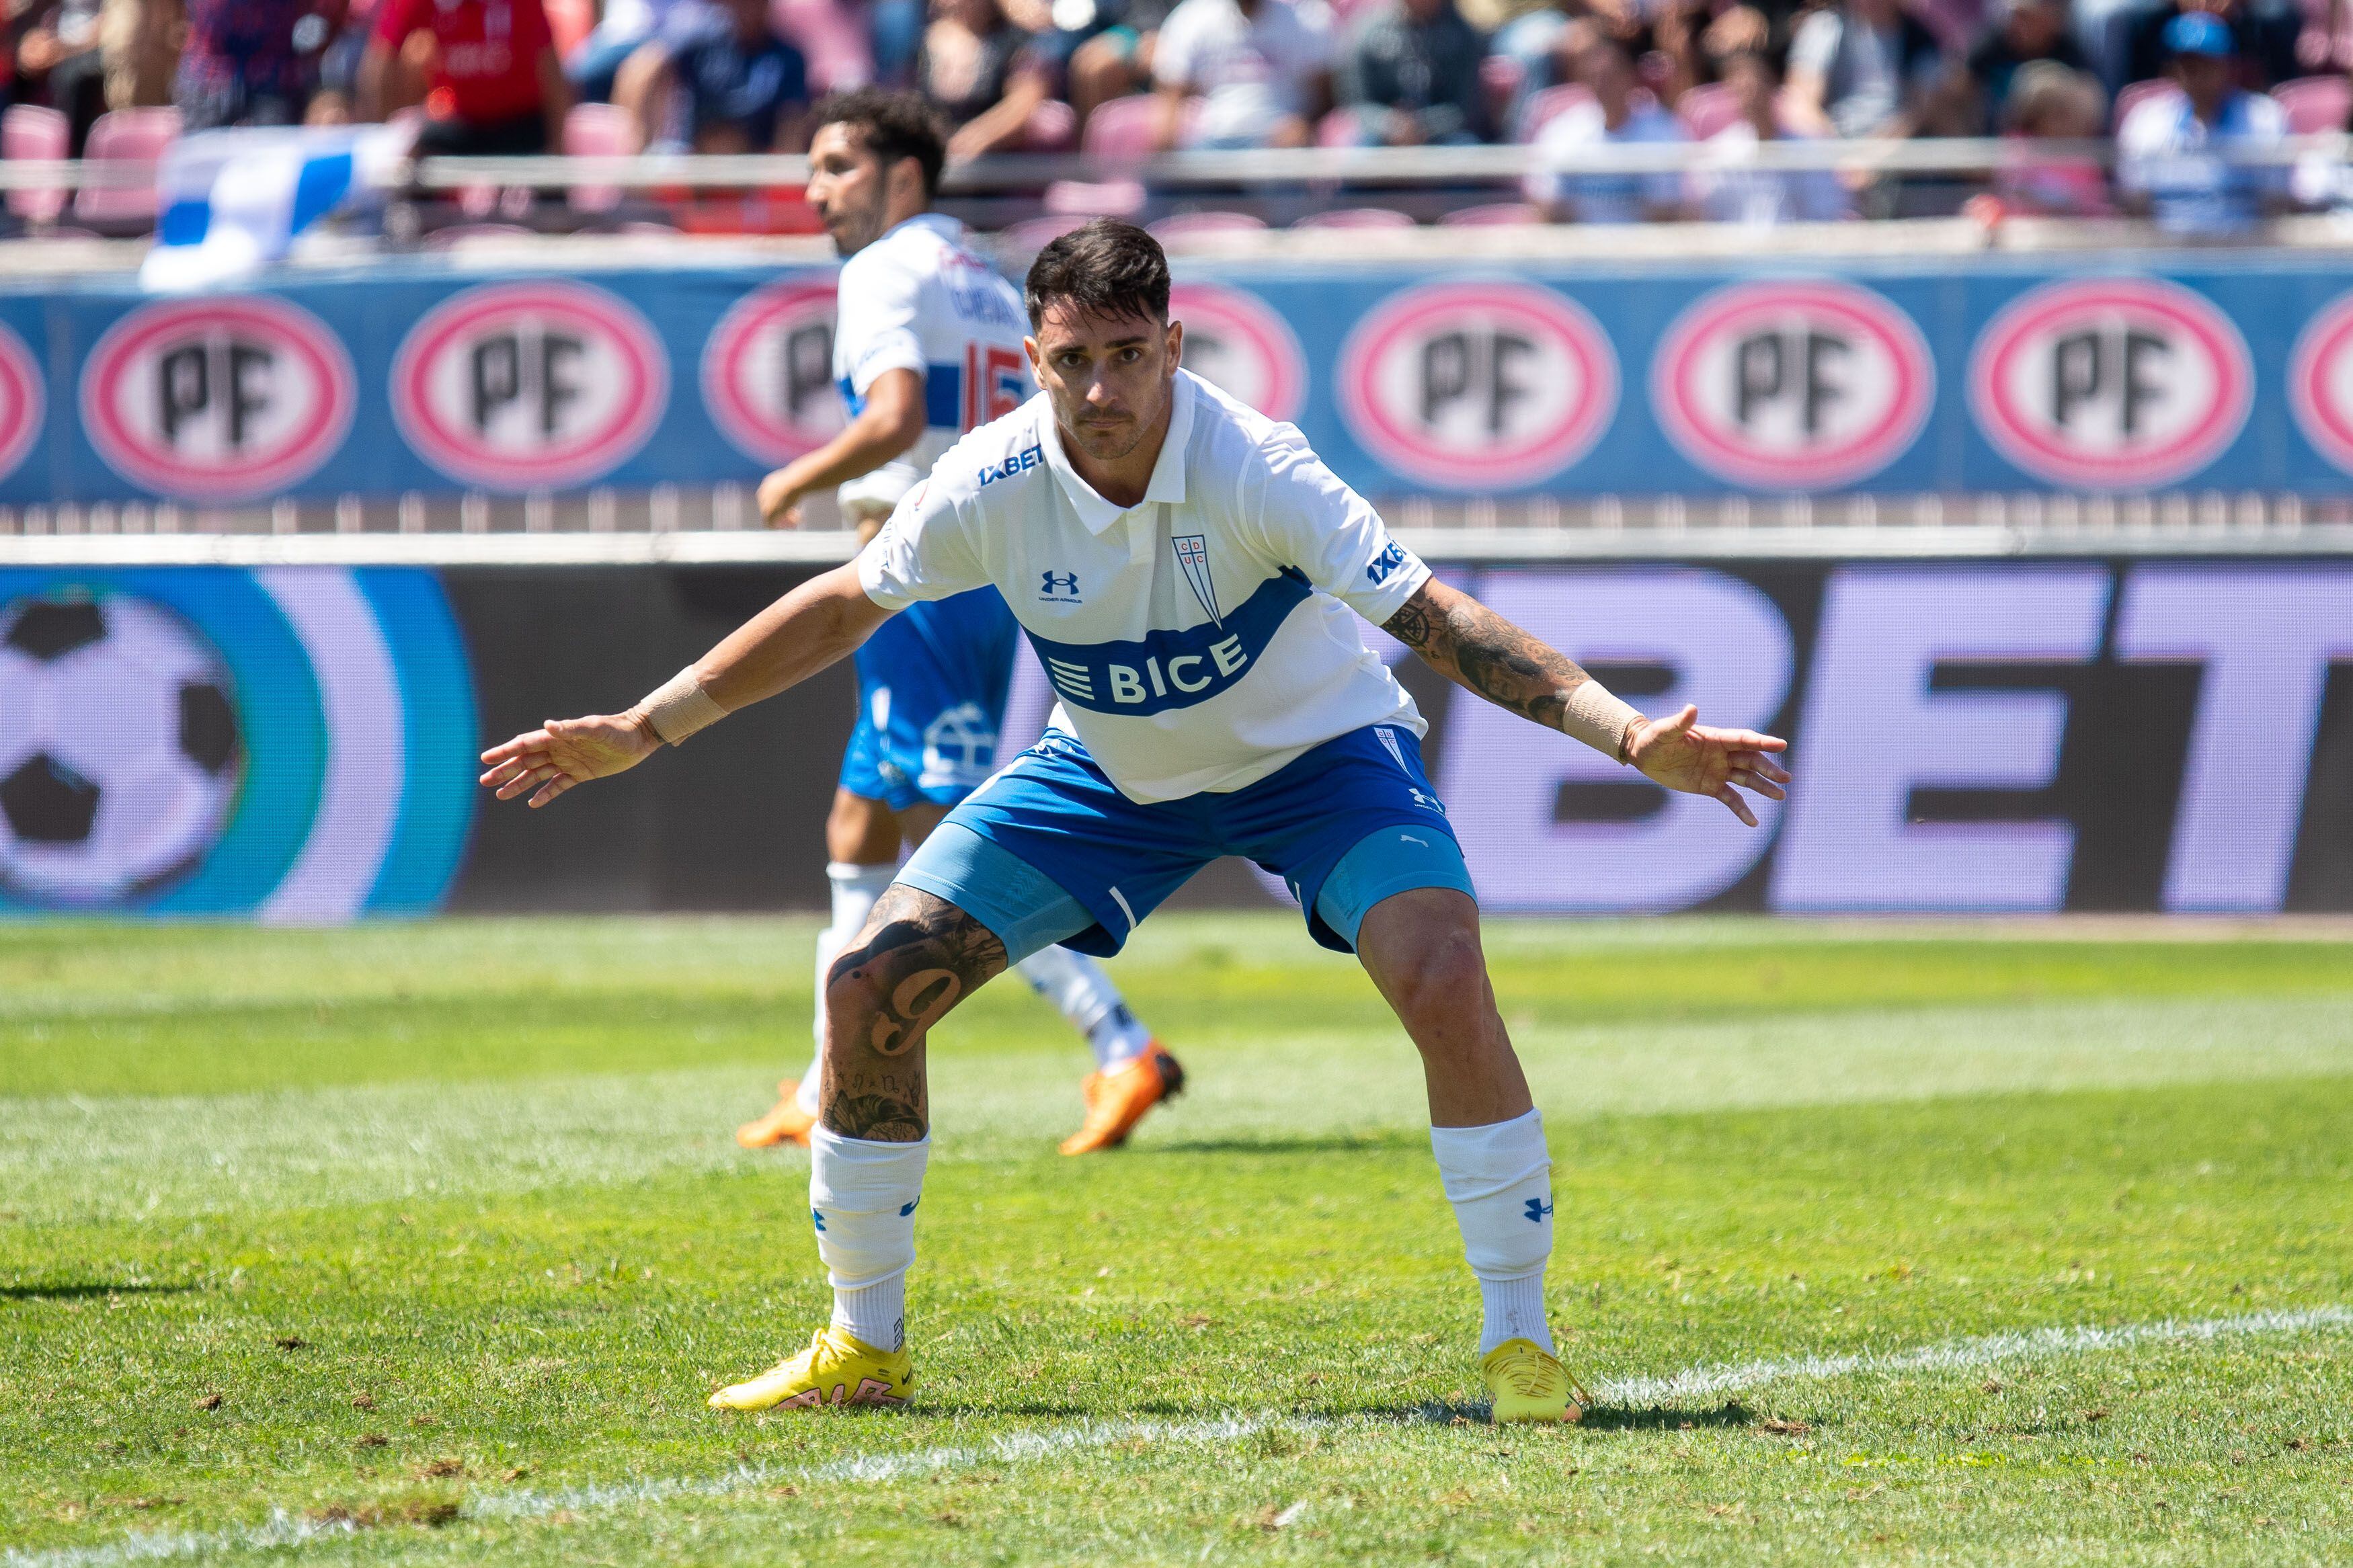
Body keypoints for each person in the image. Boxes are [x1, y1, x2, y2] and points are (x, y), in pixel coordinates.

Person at [479, 217, 1792, 1422]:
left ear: (1172, 346)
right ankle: (860, 1344)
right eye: (1071, 362)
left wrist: (1623, 730)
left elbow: (1436, 621)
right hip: (1103, 769)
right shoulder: (993, 476)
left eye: (1125, 356)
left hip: (1318, 754)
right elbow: (842, 603)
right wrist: (643, 728)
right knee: (873, 978)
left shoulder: (1257, 463)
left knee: (1443, 969)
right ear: (1034, 365)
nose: (1100, 391)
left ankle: (1521, 1342)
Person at [733, 92, 1184, 1160]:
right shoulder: (981, 272)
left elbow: (891, 417)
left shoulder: (882, 270)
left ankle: (1123, 1045)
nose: (815, 190)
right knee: (859, 821)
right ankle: (819, 1079)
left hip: (922, 575)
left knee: (956, 844)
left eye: (838, 166)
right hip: (976, 567)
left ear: (901, 178)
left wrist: (790, 478)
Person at [2116, 9, 2287, 231]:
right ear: (2172, 69)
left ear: (2230, 66)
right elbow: (2137, 205)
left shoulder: (2265, 118)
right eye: (2188, 64)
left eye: (2208, 63)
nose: (2197, 73)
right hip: (2169, 251)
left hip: (2245, 251)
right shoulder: (2146, 120)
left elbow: (2276, 205)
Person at [358, 0, 570, 156]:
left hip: (520, 121)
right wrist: (383, 131)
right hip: (459, 121)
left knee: (548, 191)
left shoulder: (521, 4)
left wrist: (560, 151)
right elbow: (381, 62)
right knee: (409, 151)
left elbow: (551, 70)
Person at [1524, 25, 1690, 222]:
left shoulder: (1663, 132)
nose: (1603, 85)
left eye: (1611, 74)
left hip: (1644, 248)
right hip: (1578, 248)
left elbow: (1665, 213)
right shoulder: (1563, 132)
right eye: (1595, 77)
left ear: (1631, 76)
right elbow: (1548, 207)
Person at [614, 0, 811, 153]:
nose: (748, 6)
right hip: (694, 166)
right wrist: (639, 146)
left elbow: (791, 125)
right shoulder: (701, 40)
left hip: (754, 172)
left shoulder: (789, 57)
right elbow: (642, 71)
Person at [1691, 48, 1853, 221]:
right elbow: (1704, 212)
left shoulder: (1807, 150)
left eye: (1755, 79)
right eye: (1737, 80)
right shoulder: (1720, 154)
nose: (1749, 90)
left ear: (1771, 83)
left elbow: (1827, 213)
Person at [1150, 0, 1334, 148]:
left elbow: (1327, 95)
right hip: (1212, 138)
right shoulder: (1192, 18)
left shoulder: (1308, 19)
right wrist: (1165, 137)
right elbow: (1171, 88)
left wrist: (1303, 123)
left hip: (1278, 141)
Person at [1785, 0, 1949, 138]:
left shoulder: (1922, 41)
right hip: (1831, 150)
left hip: (1897, 158)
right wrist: (1837, 151)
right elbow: (1800, 102)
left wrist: (1872, 158)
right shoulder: (1825, 27)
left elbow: (1918, 112)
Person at [174, 0, 346, 131]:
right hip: (207, 77)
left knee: (273, 168)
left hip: (276, 82)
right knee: (201, 165)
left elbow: (329, 13)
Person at [1340, 0, 1490, 146]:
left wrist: (1422, 126)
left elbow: (1466, 107)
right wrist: (1391, 125)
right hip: (1382, 137)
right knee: (1359, 152)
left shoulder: (1464, 37)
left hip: (1444, 138)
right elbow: (1357, 103)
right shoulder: (1369, 32)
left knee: (1467, 148)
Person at [1958, 0, 2089, 130]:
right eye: (2013, 16)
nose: (2015, 24)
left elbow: (2087, 101)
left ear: (2049, 19)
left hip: (2046, 143)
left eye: (2025, 17)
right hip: (1991, 140)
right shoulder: (1991, 47)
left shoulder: (2069, 53)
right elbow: (1961, 86)